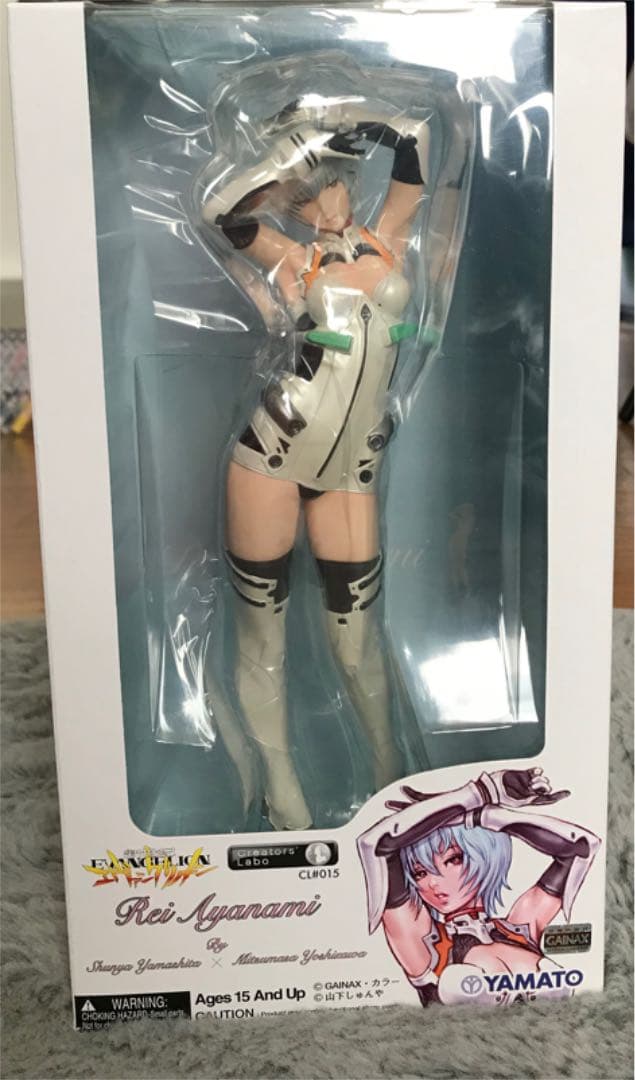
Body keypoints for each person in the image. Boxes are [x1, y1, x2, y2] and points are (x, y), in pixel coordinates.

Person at [199, 99, 431, 829]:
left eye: (329, 186)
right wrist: (288, 157)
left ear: (348, 181)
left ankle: (394, 781)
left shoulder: (388, 240)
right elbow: (218, 212)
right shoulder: (293, 259)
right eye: (302, 198)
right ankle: (280, 787)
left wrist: (343, 121)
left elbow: (416, 140)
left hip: (351, 467)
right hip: (272, 452)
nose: (322, 207)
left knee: (356, 640)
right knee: (262, 636)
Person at [356, 766, 600, 1005]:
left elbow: (581, 846)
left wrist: (484, 815)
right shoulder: (426, 943)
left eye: (453, 860)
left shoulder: (519, 928)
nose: (432, 882)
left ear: (484, 855)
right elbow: (376, 843)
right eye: (419, 873)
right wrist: (485, 791)